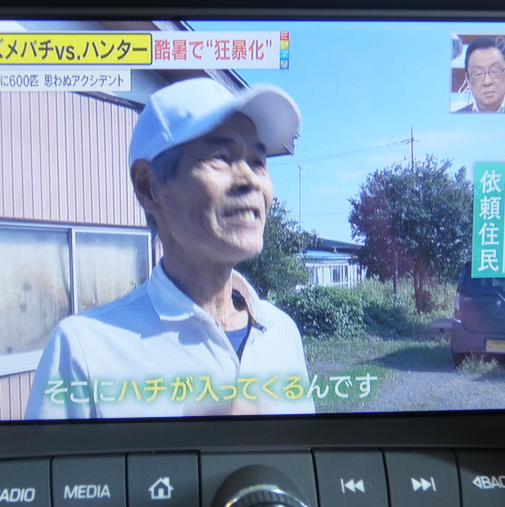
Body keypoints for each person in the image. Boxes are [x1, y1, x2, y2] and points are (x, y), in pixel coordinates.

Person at [25, 77, 315, 419]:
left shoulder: (281, 331)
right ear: (149, 187)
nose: (250, 180)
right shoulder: (83, 349)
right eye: (221, 157)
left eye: (258, 162)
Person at [455, 36, 505, 113]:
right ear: (468, 80)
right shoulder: (455, 118)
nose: (487, 81)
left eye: (494, 71)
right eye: (478, 74)